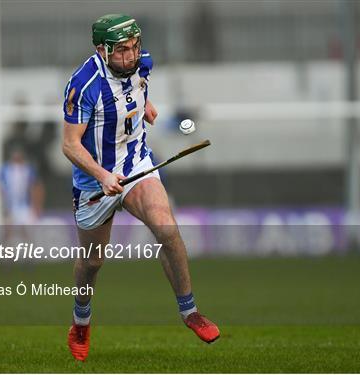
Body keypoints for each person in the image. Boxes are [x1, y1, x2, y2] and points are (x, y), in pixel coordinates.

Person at [62, 14, 219, 361]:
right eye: (122, 51)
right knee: (92, 263)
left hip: (136, 164)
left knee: (167, 228)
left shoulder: (142, 64)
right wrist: (103, 176)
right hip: (95, 181)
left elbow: (136, 90)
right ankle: (81, 321)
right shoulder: (82, 85)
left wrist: (143, 109)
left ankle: (189, 312)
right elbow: (70, 145)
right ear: (102, 50)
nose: (131, 56)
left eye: (135, 47)